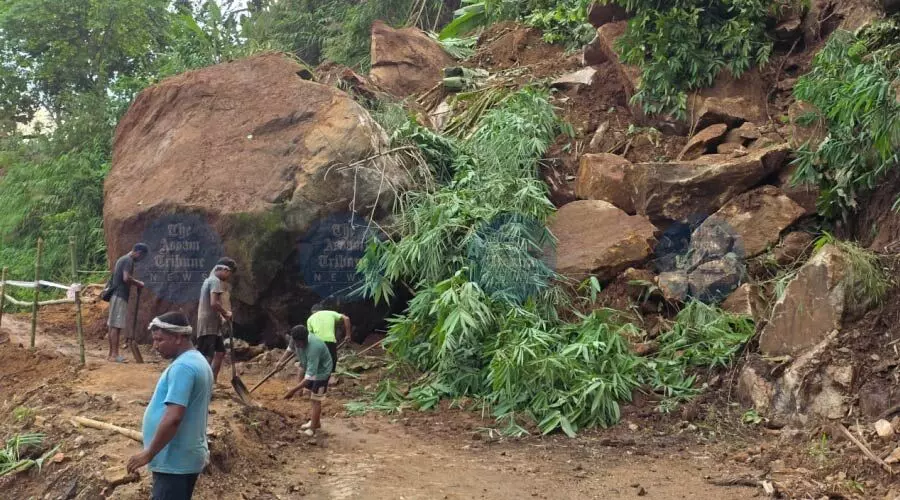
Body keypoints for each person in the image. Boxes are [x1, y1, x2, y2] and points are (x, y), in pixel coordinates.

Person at [126, 311, 213, 500]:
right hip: (182, 457)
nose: (155, 346)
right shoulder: (197, 360)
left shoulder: (183, 368)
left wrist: (149, 453)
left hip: (174, 461)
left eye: (160, 340)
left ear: (178, 338)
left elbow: (174, 417)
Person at [282, 325, 333, 437]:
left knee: (316, 399)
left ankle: (312, 429)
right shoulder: (294, 338)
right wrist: (280, 363)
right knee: (311, 396)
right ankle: (316, 422)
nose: (300, 345)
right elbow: (289, 350)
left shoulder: (314, 348)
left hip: (322, 372)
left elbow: (309, 377)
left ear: (306, 338)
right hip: (310, 368)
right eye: (298, 343)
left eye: (303, 342)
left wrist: (293, 390)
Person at [196, 258, 237, 384]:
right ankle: (201, 383)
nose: (229, 277)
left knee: (220, 352)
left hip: (214, 324)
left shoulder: (211, 280)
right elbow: (214, 304)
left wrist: (221, 317)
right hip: (208, 324)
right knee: (207, 355)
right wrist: (225, 313)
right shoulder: (215, 281)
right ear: (225, 269)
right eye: (229, 273)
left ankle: (212, 381)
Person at [106, 243, 149, 363]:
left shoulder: (123, 259)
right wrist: (138, 283)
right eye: (142, 257)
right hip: (120, 295)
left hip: (116, 295)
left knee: (113, 325)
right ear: (139, 253)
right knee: (116, 326)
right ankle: (114, 355)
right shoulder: (128, 260)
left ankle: (111, 354)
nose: (140, 260)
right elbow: (126, 278)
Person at [306, 303, 352, 383]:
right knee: (332, 360)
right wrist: (348, 335)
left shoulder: (310, 319)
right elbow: (346, 319)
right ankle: (331, 380)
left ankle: (314, 381)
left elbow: (310, 336)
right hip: (330, 341)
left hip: (317, 342)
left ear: (312, 312)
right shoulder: (331, 313)